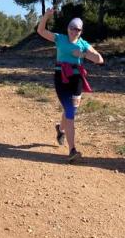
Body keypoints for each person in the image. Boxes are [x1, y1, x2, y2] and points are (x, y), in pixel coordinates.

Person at [37, 8, 103, 162]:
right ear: (68, 28)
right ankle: (72, 150)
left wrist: (83, 54)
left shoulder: (83, 44)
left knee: (70, 110)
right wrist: (46, 16)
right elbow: (41, 31)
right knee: (70, 111)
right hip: (61, 78)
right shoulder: (60, 38)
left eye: (78, 29)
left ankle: (60, 129)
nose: (74, 31)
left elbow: (100, 59)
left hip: (77, 79)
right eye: (72, 28)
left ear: (81, 31)